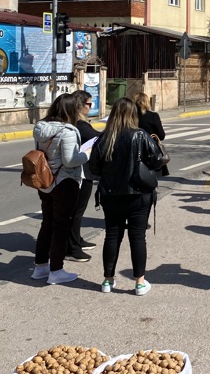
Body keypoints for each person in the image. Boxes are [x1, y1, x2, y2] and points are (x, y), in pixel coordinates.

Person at [88, 97, 166, 296]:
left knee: (112, 236)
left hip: (110, 194)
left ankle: (107, 280)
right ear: (133, 114)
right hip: (138, 194)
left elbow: (94, 168)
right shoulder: (140, 135)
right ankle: (139, 282)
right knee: (137, 237)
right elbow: (157, 160)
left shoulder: (104, 137)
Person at [31, 92, 87, 285]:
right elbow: (70, 160)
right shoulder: (68, 131)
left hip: (45, 182)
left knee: (47, 224)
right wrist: (87, 154)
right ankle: (56, 270)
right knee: (61, 227)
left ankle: (40, 266)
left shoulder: (40, 128)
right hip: (65, 182)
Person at [65, 90, 100, 263]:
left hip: (81, 171)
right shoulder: (80, 125)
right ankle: (72, 248)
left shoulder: (75, 123)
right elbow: (99, 138)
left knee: (77, 210)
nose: (90, 107)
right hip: (81, 173)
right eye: (88, 104)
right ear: (80, 105)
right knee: (76, 211)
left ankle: (76, 239)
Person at [135, 92, 168, 179]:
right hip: (151, 151)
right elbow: (161, 135)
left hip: (135, 150)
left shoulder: (131, 116)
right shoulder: (153, 116)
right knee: (152, 176)